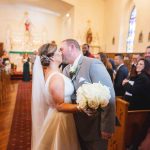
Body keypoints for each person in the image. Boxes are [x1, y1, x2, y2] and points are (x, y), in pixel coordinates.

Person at [61, 39, 116, 150]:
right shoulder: (66, 69)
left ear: (72, 47)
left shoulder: (92, 64)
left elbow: (109, 96)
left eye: (61, 49)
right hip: (74, 127)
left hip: (94, 128)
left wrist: (107, 127)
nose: (60, 53)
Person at [32, 43, 80, 150]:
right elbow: (60, 105)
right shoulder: (56, 78)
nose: (61, 52)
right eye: (58, 50)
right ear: (52, 57)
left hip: (57, 115)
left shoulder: (51, 72)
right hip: (61, 118)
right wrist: (82, 107)